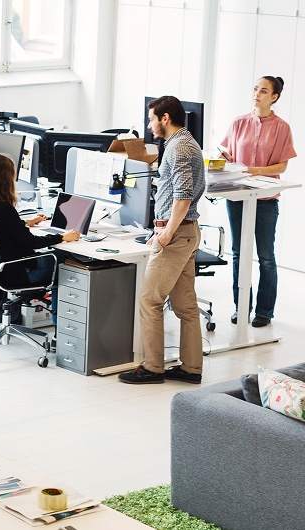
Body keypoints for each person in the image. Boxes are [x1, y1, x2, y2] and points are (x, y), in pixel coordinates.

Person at [119, 96, 205, 385]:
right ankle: (191, 368)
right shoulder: (183, 143)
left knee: (149, 300)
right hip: (185, 232)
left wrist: (166, 232)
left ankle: (153, 367)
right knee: (185, 306)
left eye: (151, 118)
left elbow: (183, 195)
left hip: (176, 234)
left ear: (165, 118)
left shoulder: (179, 147)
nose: (149, 124)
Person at [220, 76, 297, 328]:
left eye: (263, 91)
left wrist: (254, 170)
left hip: (264, 200)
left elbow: (282, 166)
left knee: (265, 256)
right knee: (238, 254)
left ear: (274, 97)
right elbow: (228, 153)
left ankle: (264, 311)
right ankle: (240, 305)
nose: (257, 94)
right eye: (255, 89)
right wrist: (221, 157)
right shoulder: (239, 122)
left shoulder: (281, 127)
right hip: (237, 196)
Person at [0, 153, 79, 323]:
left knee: (59, 256)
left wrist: (25, 223)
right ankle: (60, 325)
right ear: (6, 179)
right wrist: (62, 237)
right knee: (66, 260)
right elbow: (31, 242)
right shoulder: (4, 208)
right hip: (19, 272)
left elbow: (2, 228)